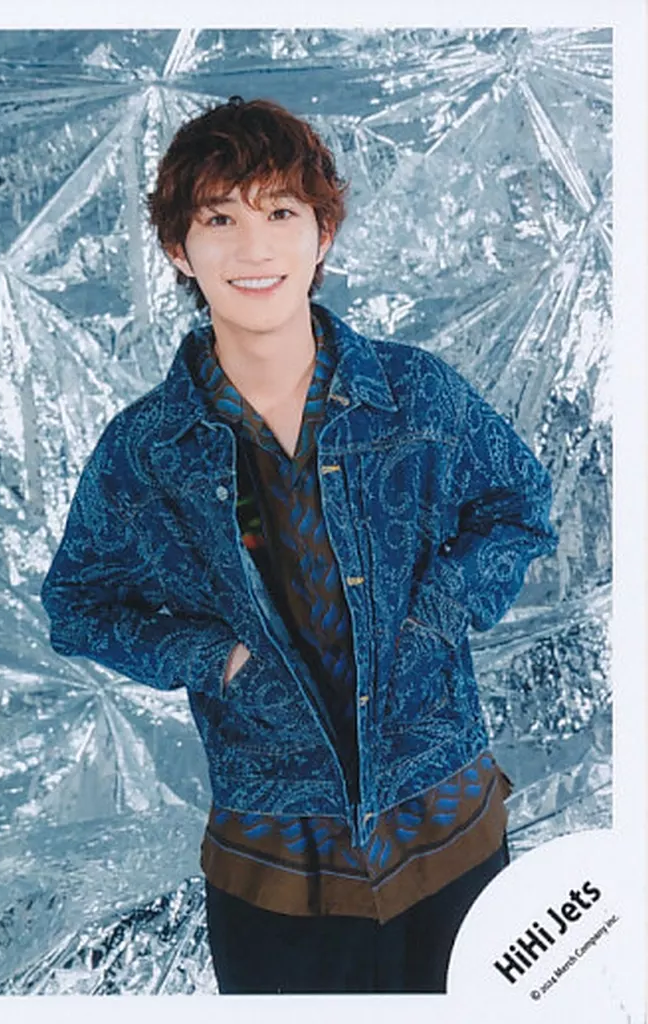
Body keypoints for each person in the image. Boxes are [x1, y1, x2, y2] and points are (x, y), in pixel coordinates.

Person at [41, 96, 558, 994]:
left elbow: (520, 503)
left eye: (281, 212)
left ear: (323, 235)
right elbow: (76, 605)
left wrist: (438, 614)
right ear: (179, 249)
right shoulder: (146, 449)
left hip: (450, 839)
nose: (254, 248)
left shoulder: (413, 394)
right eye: (220, 219)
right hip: (275, 872)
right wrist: (217, 658)